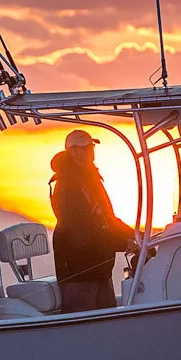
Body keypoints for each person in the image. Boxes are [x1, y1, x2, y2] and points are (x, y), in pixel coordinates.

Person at [48, 128, 132, 313]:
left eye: (91, 146)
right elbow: (80, 231)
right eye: (84, 147)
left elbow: (107, 217)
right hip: (80, 271)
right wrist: (121, 242)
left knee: (108, 318)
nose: (90, 151)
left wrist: (134, 236)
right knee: (84, 321)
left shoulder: (91, 178)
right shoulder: (67, 184)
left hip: (100, 267)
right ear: (72, 151)